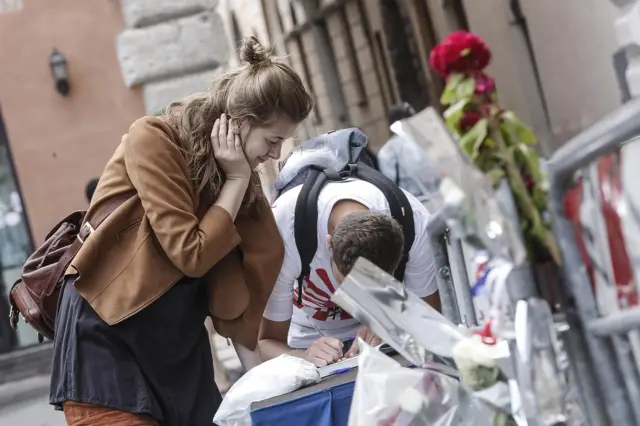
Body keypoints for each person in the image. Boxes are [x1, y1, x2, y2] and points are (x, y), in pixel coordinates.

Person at [49, 37, 313, 426]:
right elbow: (191, 254)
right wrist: (237, 179)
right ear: (238, 122)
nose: (275, 154)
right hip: (108, 340)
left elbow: (240, 284)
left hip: (176, 350)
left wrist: (264, 378)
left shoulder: (235, 175)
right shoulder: (154, 139)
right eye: (272, 140)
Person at [258, 175, 440, 368]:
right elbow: (265, 344)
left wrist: (393, 323)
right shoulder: (284, 229)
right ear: (329, 243)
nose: (358, 301)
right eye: (350, 285)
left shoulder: (413, 221)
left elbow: (431, 324)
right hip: (308, 342)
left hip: (385, 345)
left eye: (376, 283)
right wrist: (303, 356)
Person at [377, 102, 433, 200]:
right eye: (411, 118)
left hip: (416, 202)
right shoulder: (389, 151)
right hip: (422, 200)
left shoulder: (385, 152)